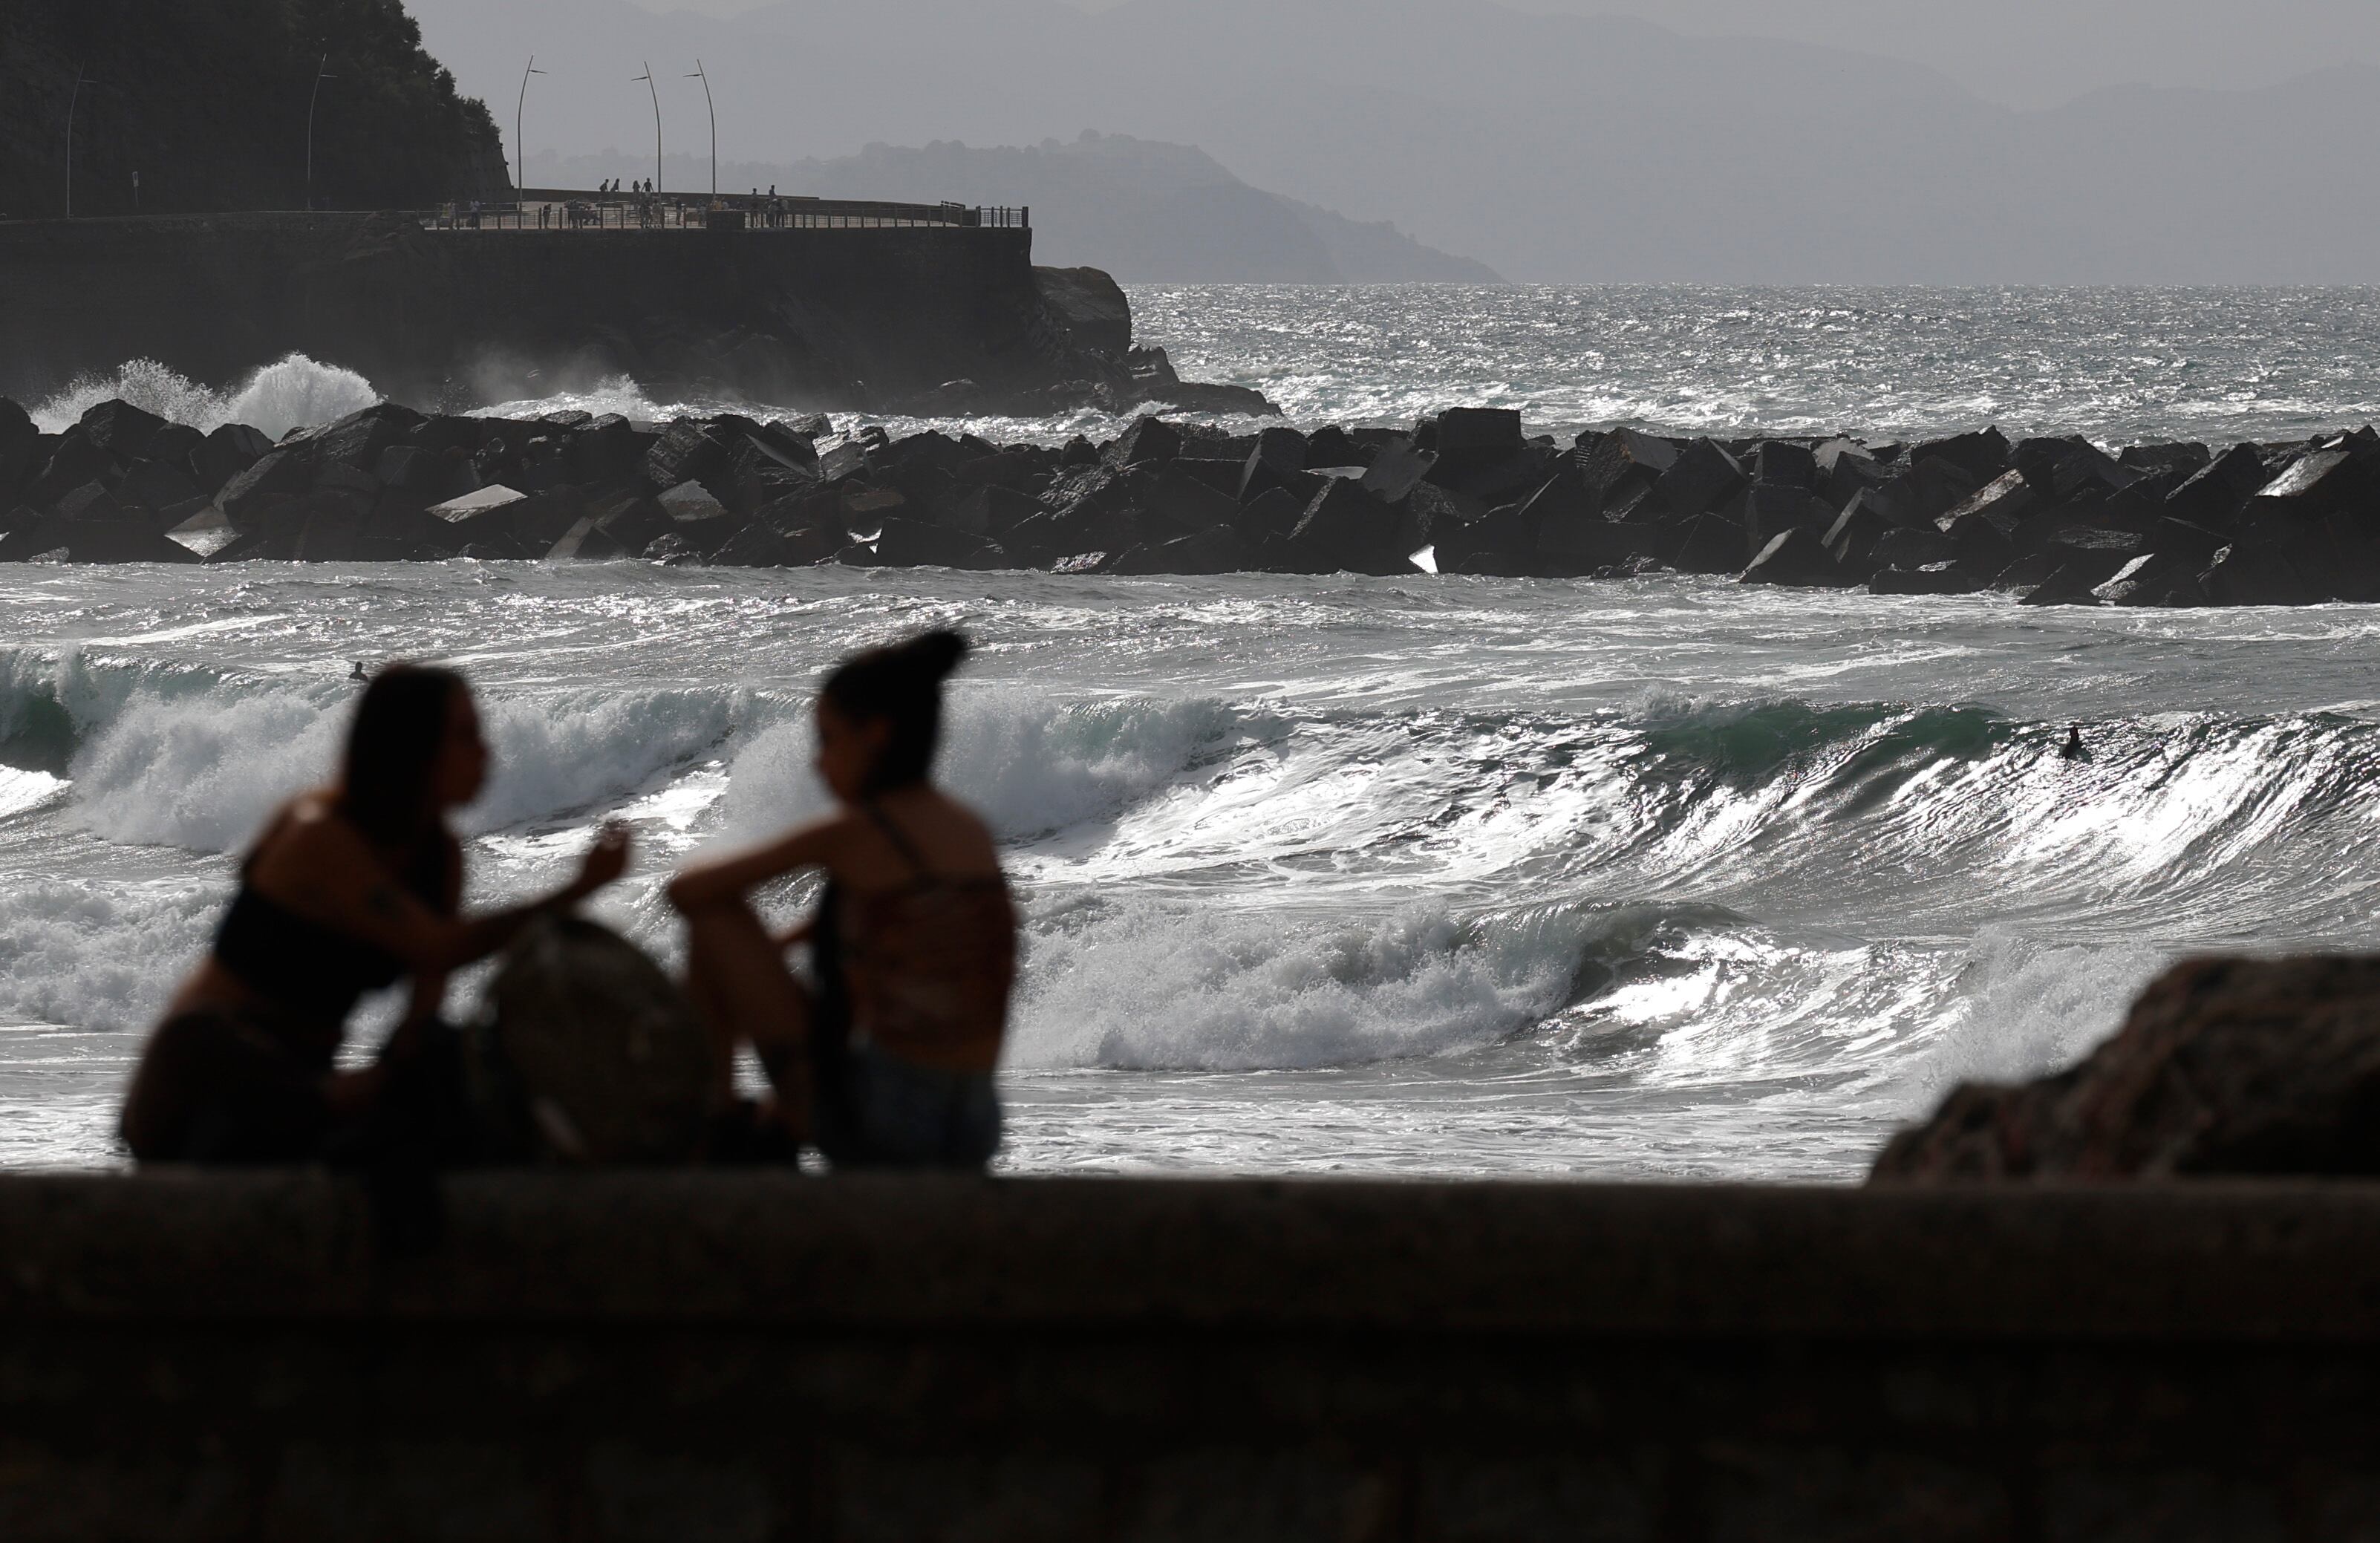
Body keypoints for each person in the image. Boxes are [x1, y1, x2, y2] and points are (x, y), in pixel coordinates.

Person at [120, 665, 632, 1164]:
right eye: (465, 736)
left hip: (310, 1085)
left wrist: (400, 1075)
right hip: (202, 1081)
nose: (485, 753)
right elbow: (440, 945)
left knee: (450, 1064)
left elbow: (425, 1003)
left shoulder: (439, 856)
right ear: (413, 751)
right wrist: (578, 888)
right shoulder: (320, 831)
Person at [668, 631, 1014, 1170]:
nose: (817, 764)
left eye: (827, 741)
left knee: (714, 917)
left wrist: (742, 966)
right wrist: (786, 945)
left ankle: (714, 1128)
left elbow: (686, 892)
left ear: (874, 736)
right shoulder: (969, 829)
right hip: (974, 1126)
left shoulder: (860, 832)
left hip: (890, 1125)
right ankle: (760, 1122)